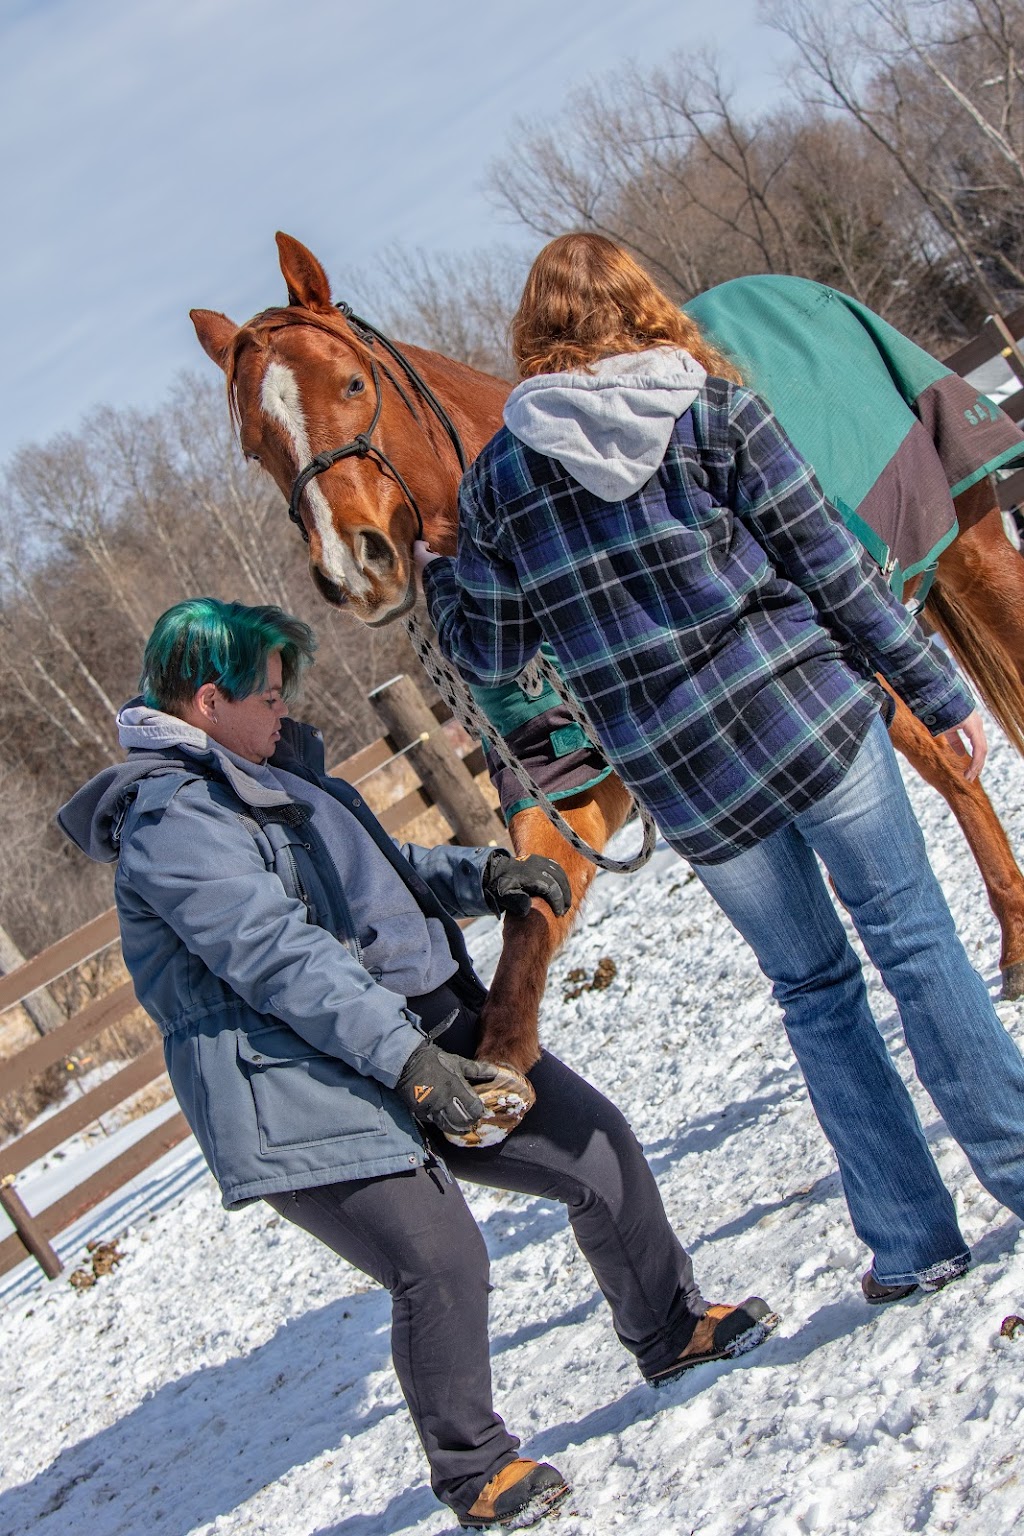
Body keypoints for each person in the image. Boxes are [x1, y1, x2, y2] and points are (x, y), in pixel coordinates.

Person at [58, 597, 778, 1532]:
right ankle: (475, 1469)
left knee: (598, 1158)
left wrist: (480, 877)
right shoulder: (174, 822)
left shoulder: (272, 771)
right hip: (303, 1081)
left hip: (422, 1029)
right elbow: (283, 957)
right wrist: (408, 1063)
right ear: (205, 702)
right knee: (440, 1260)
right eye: (268, 695)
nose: (284, 710)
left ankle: (670, 1328)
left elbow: (375, 870)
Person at [418, 230, 1024, 1310]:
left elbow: (497, 655)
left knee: (815, 994)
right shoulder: (715, 409)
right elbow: (831, 569)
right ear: (639, 305)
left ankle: (909, 1239)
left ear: (536, 333)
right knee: (919, 947)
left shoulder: (500, 484)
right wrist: (932, 694)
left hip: (696, 786)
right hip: (818, 726)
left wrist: (442, 579)